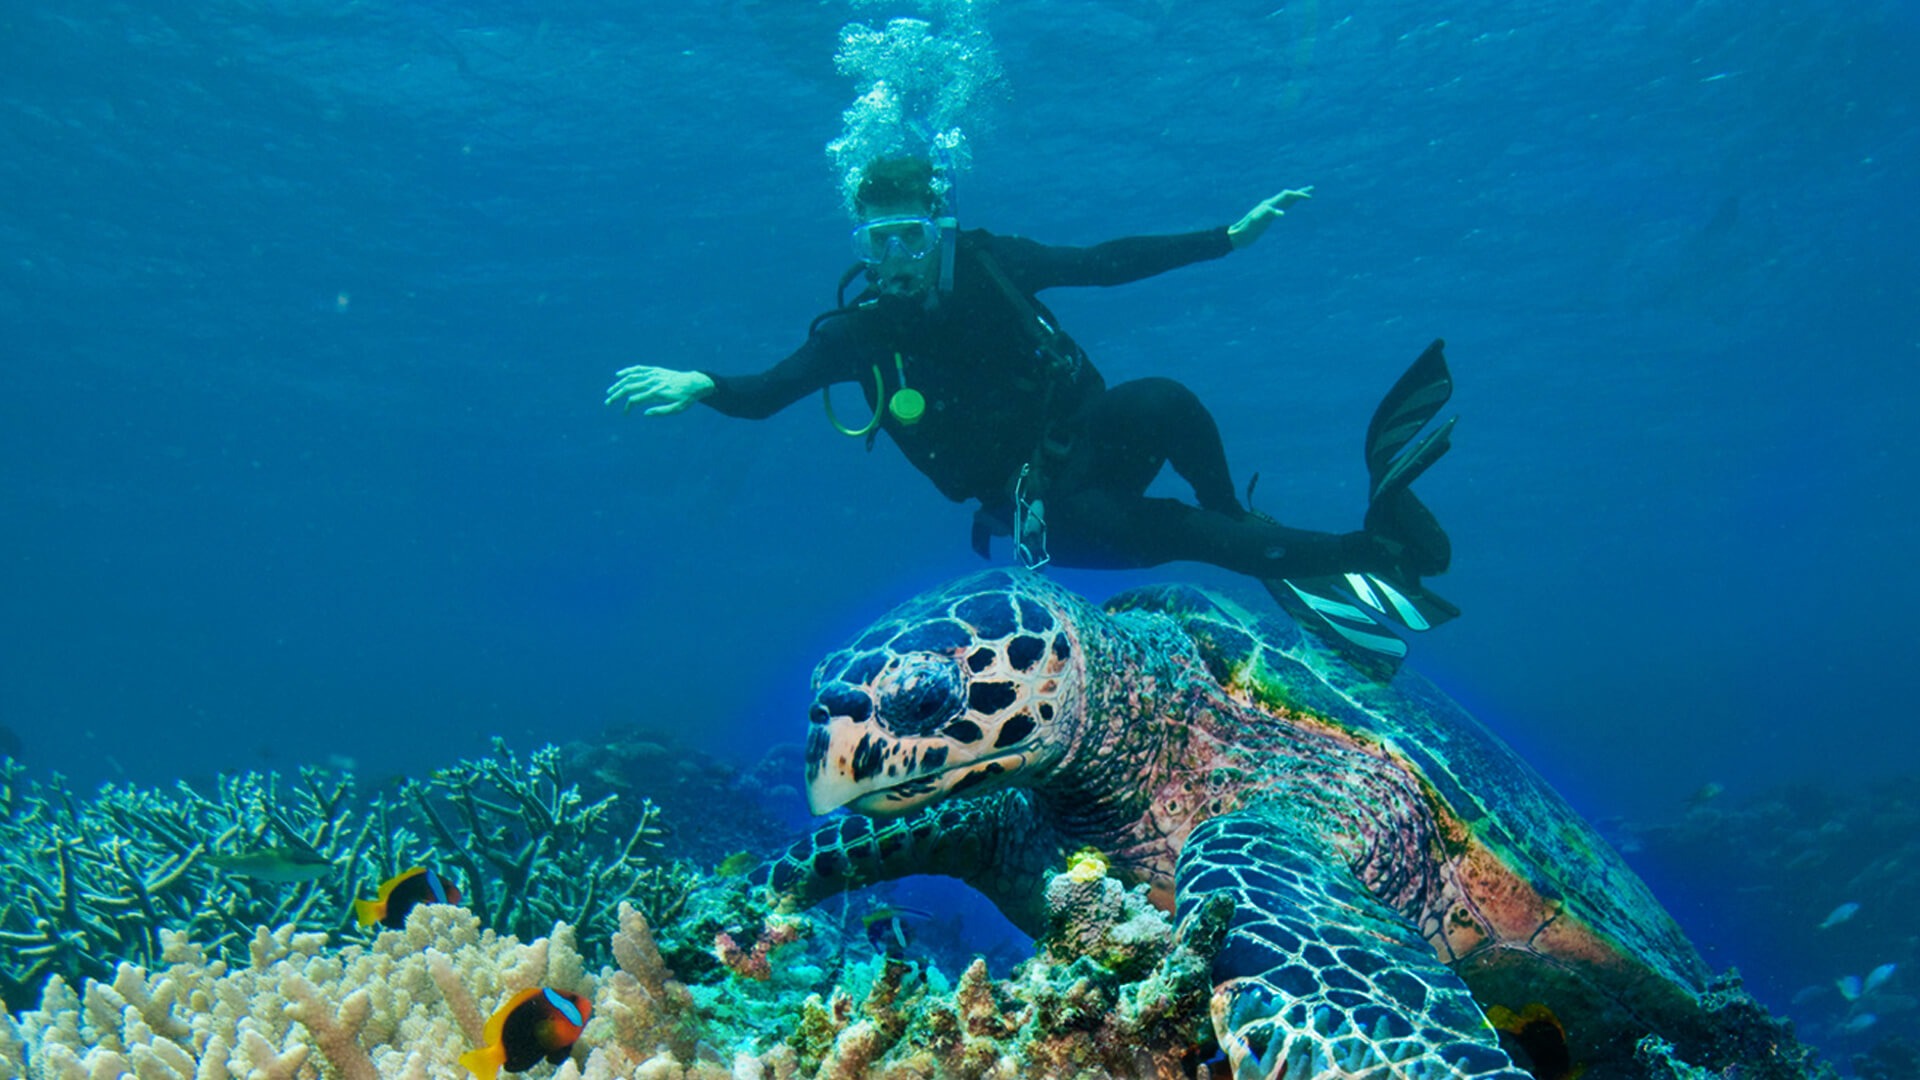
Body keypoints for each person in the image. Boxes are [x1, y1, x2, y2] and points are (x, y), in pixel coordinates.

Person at [606, 157, 1451, 634]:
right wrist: (701, 383)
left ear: (940, 227)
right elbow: (764, 394)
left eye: (910, 236)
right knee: (1180, 535)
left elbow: (1101, 263)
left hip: (1091, 439)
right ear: (861, 241)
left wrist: (1227, 238)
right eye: (877, 240)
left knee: (1165, 396)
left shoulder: (990, 263)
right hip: (1040, 513)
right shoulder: (857, 334)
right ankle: (1370, 553)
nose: (894, 259)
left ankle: (1246, 524)